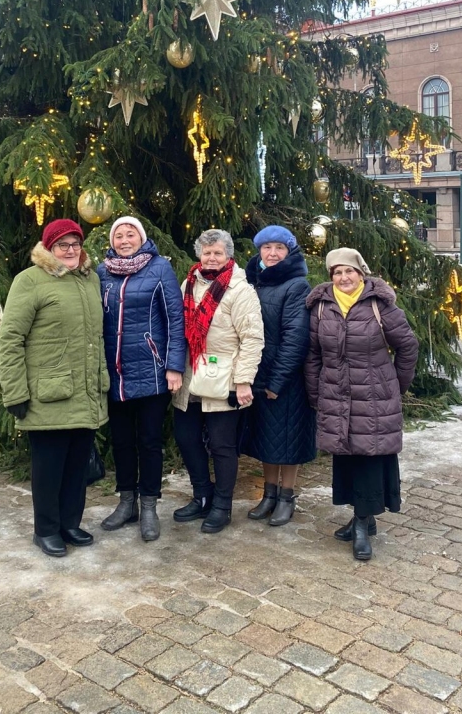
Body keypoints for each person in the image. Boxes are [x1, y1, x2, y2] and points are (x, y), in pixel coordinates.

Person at [0, 218, 108, 559]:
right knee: (49, 468)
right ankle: (45, 530)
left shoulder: (90, 280)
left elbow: (95, 338)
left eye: (76, 244)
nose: (71, 250)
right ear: (49, 248)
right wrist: (15, 392)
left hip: (86, 391)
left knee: (76, 465)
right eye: (63, 245)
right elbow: (10, 339)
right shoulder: (30, 280)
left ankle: (70, 524)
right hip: (48, 394)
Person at [305, 247, 419, 561]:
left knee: (369, 457)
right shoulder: (321, 307)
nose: (344, 277)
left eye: (349, 271)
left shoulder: (379, 304)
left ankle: (361, 524)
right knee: (347, 457)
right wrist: (315, 393)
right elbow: (313, 354)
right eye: (337, 272)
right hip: (336, 395)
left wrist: (395, 385)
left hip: (373, 397)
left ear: (361, 273)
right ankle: (363, 518)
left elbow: (408, 346)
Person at [97, 216, 186, 542]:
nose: (124, 240)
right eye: (118, 235)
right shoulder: (102, 272)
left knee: (149, 442)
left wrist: (174, 366)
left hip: (151, 371)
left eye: (130, 234)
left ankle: (149, 505)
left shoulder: (159, 268)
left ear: (141, 238)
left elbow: (175, 319)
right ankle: (126, 503)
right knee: (121, 442)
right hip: (115, 373)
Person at [172, 229, 264, 534]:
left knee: (222, 445)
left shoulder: (240, 289)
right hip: (190, 375)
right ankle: (202, 495)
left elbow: (252, 338)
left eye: (217, 253)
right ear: (199, 254)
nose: (211, 258)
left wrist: (243, 381)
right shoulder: (189, 283)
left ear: (228, 255)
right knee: (186, 438)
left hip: (224, 378)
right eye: (207, 252)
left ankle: (222, 505)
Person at [242, 225, 315, 526]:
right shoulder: (253, 282)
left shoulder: (297, 286)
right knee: (266, 438)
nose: (272, 253)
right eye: (267, 247)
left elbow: (295, 338)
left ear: (289, 251)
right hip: (258, 374)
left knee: (288, 440)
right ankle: (268, 494)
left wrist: (277, 381)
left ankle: (287, 496)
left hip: (286, 378)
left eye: (279, 248)